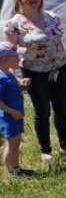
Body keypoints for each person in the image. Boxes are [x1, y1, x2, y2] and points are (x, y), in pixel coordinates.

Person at [3, 0, 66, 162]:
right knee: (42, 111)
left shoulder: (52, 17)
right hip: (34, 72)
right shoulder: (13, 24)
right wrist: (13, 75)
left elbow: (59, 43)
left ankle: (65, 145)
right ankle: (46, 149)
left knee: (62, 109)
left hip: (59, 68)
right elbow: (11, 52)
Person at [0, 43, 31, 178]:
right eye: (16, 56)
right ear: (4, 59)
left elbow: (11, 88)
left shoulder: (9, 74)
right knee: (12, 144)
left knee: (16, 142)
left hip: (16, 115)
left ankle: (17, 168)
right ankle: (11, 172)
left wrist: (20, 83)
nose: (19, 58)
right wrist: (12, 112)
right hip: (9, 117)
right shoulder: (1, 78)